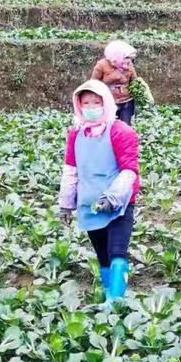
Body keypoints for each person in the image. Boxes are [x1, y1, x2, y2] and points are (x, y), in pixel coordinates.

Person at [58, 79, 140, 302]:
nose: (92, 107)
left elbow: (129, 171)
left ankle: (116, 303)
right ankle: (108, 295)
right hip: (90, 204)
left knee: (117, 253)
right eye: (87, 102)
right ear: (79, 105)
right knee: (102, 256)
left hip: (119, 204)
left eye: (97, 102)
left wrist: (112, 198)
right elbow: (71, 170)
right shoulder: (76, 134)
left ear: (106, 102)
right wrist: (66, 204)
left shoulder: (121, 132)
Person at [91, 40, 137, 126]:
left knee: (125, 126)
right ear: (116, 56)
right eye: (125, 57)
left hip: (126, 101)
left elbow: (134, 81)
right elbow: (93, 83)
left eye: (128, 58)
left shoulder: (129, 64)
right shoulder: (102, 65)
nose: (128, 60)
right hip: (109, 101)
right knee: (109, 125)